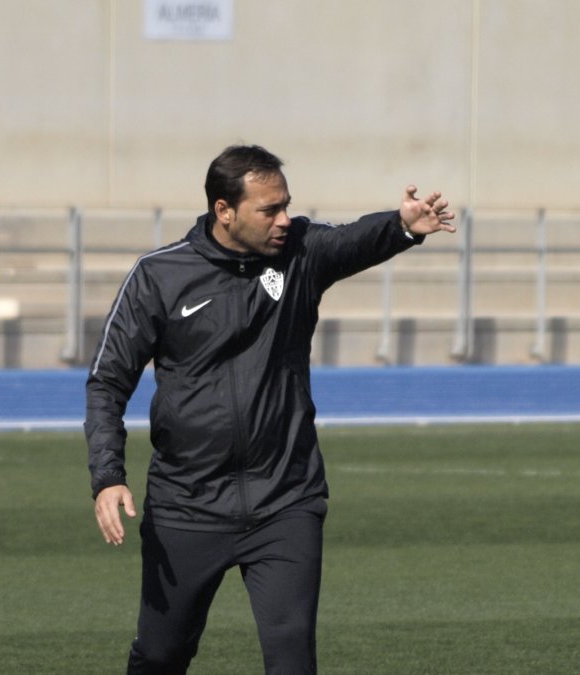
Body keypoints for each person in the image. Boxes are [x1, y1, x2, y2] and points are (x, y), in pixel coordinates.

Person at [85, 144, 455, 674]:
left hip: (285, 499)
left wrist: (401, 227)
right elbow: (107, 382)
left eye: (286, 205)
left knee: (291, 656)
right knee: (162, 655)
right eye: (269, 209)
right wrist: (108, 477)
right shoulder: (159, 275)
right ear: (224, 210)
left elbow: (350, 240)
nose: (284, 219)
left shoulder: (300, 254)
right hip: (187, 503)